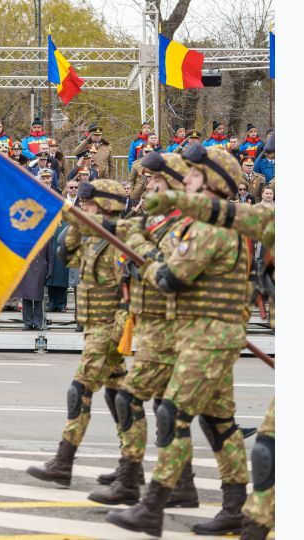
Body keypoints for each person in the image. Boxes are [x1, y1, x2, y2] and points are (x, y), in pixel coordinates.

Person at [107, 145, 252, 537]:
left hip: (209, 336)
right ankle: (236, 506)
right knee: (219, 422)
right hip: (205, 333)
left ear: (211, 182)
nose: (185, 178)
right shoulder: (201, 224)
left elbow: (170, 278)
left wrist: (140, 250)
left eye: (193, 174)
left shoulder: (209, 228)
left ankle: (152, 506)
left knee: (173, 414)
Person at [87, 152, 200, 508]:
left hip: (168, 323)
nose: (149, 185)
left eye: (156, 180)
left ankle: (132, 477)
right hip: (150, 320)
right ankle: (180, 483)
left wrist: (134, 242)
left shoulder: (182, 221)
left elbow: (166, 267)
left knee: (132, 398)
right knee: (166, 406)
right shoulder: (158, 218)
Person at [26, 179, 128, 487]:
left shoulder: (123, 236)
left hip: (110, 326)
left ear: (107, 206)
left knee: (79, 390)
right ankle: (131, 465)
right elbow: (64, 254)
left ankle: (64, 460)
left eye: (91, 204)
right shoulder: (90, 235)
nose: (86, 209)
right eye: (84, 205)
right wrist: (76, 229)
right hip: (94, 325)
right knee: (119, 394)